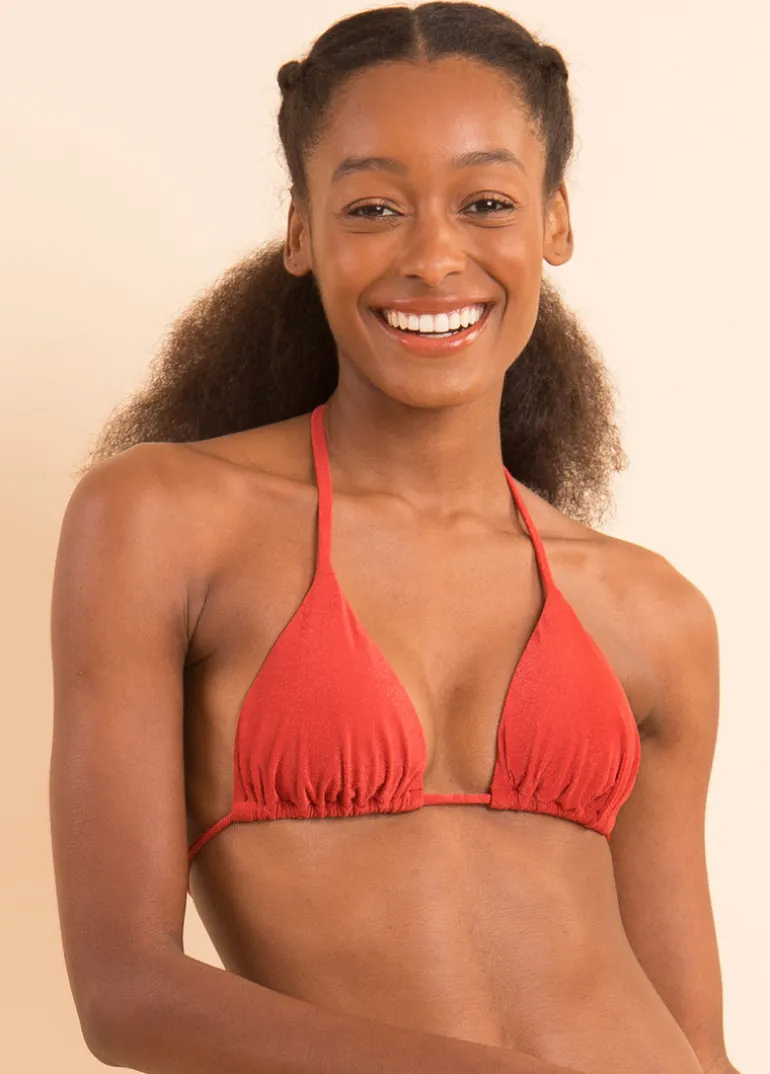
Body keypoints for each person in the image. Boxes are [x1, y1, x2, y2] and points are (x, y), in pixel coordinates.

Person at [49, 4, 737, 1073]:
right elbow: (124, 992)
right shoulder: (161, 521)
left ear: (553, 221)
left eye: (486, 203)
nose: (432, 255)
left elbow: (697, 1044)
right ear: (300, 232)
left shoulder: (654, 612)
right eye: (372, 207)